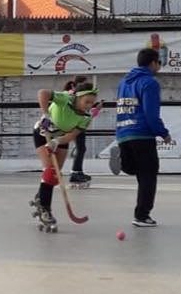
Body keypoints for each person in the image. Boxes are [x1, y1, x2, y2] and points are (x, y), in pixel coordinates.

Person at [31, 82, 99, 232]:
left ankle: (40, 198)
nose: (89, 105)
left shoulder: (86, 117)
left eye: (92, 103)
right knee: (50, 170)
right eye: (86, 101)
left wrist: (57, 141)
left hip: (60, 138)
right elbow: (43, 92)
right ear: (77, 97)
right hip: (43, 134)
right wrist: (46, 114)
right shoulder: (65, 98)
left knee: (55, 175)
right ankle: (45, 210)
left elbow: (72, 135)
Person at [115, 48, 172, 227]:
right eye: (159, 63)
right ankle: (142, 216)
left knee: (136, 170)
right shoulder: (149, 83)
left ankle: (124, 161)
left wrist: (120, 134)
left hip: (124, 132)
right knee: (148, 175)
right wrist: (163, 133)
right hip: (142, 134)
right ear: (153, 63)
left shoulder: (123, 82)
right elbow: (151, 113)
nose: (160, 66)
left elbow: (120, 108)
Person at [64, 76, 101, 188]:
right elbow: (85, 114)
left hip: (78, 123)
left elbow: (86, 113)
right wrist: (96, 110)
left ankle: (77, 171)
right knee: (80, 148)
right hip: (75, 124)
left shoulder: (77, 97)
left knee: (81, 148)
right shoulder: (71, 97)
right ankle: (75, 172)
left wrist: (94, 109)